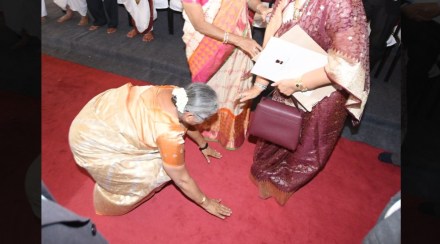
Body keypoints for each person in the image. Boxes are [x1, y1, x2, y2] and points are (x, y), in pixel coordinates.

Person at [239, 0, 370, 205]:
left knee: (309, 141)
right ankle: (266, 172)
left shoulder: (344, 4)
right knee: (278, 129)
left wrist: (298, 84)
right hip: (287, 75)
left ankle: (285, 183)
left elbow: (348, 65)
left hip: (325, 90)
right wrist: (260, 83)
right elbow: (276, 33)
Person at [68, 83, 232, 219]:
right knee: (160, 170)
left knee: (160, 153)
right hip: (91, 141)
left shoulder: (178, 94)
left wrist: (203, 145)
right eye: (206, 119)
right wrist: (206, 202)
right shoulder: (169, 134)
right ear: (190, 115)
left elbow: (187, 123)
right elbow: (182, 179)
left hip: (99, 112)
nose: (208, 124)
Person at [181, 0, 272, 150]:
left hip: (239, 37)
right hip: (206, 45)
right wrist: (238, 41)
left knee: (235, 85)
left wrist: (260, 8)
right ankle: (207, 127)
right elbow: (200, 24)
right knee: (210, 87)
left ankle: (228, 133)